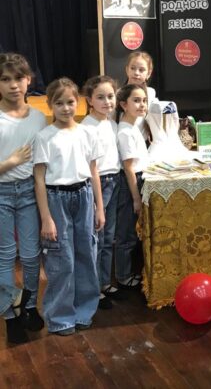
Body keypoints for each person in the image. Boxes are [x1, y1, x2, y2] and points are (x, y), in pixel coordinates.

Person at [33, 78, 105, 336]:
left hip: (84, 196)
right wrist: (46, 217)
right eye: (59, 103)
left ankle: (84, 311)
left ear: (79, 102)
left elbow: (94, 172)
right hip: (57, 199)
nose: (65, 108)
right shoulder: (44, 137)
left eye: (70, 102)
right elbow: (39, 178)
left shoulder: (88, 133)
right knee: (61, 259)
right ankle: (60, 317)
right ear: (50, 105)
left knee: (87, 255)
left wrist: (99, 207)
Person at [0, 53, 46, 344]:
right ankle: (9, 315)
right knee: (5, 257)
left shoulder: (38, 118)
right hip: (2, 193)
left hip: (29, 192)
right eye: (5, 79)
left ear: (29, 80)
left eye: (18, 78)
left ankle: (28, 306)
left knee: (30, 256)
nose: (13, 85)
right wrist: (11, 161)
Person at [81, 76, 125, 309]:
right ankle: (94, 287)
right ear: (89, 100)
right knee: (97, 238)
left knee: (109, 237)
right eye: (100, 97)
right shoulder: (86, 127)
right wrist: (98, 203)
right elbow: (91, 168)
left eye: (110, 96)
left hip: (115, 180)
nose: (107, 101)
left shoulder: (112, 123)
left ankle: (105, 282)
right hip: (99, 183)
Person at [115, 84, 149, 290]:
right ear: (123, 104)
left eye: (144, 100)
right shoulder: (125, 132)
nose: (141, 104)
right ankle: (123, 276)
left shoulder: (133, 127)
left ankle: (126, 272)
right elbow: (128, 168)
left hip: (138, 179)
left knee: (131, 232)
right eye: (136, 100)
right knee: (126, 233)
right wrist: (136, 198)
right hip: (131, 184)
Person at [124, 51, 157, 141]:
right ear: (127, 70)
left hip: (143, 141)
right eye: (133, 68)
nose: (136, 73)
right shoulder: (118, 94)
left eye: (141, 70)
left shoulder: (151, 93)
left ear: (149, 73)